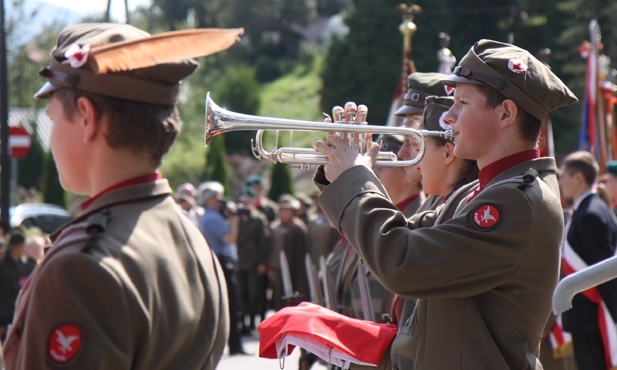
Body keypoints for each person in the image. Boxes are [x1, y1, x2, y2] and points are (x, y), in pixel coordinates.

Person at [313, 39, 578, 368]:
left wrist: (356, 177)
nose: (448, 118)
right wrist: (341, 175)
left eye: (462, 103)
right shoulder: (482, 192)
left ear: (506, 113)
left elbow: (402, 262)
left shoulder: (516, 202)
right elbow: (403, 239)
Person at [3, 23, 236, 369]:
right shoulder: (192, 239)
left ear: (87, 116)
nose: (51, 140)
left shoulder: (80, 268)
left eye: (52, 119)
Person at [559, 151, 617, 370]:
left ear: (578, 178)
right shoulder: (590, 209)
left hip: (593, 316)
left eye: (564, 176)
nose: (560, 182)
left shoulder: (590, 214)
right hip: (589, 315)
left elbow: (605, 273)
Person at [197, 181, 248, 356]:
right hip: (222, 263)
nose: (221, 201)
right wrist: (234, 219)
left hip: (219, 262)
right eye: (217, 197)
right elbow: (230, 238)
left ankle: (233, 343)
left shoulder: (210, 216)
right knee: (232, 305)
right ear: (210, 199)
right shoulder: (212, 217)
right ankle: (235, 345)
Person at [235, 187, 270, 335]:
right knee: (241, 293)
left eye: (248, 199)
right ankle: (242, 324)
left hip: (254, 262)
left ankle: (253, 322)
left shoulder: (258, 218)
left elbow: (264, 242)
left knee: (254, 293)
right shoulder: (235, 217)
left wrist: (262, 262)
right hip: (239, 262)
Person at [0, 229, 36, 342]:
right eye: (22, 246)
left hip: (18, 310)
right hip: (4, 312)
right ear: (16, 247)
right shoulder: (3, 265)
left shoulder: (23, 265)